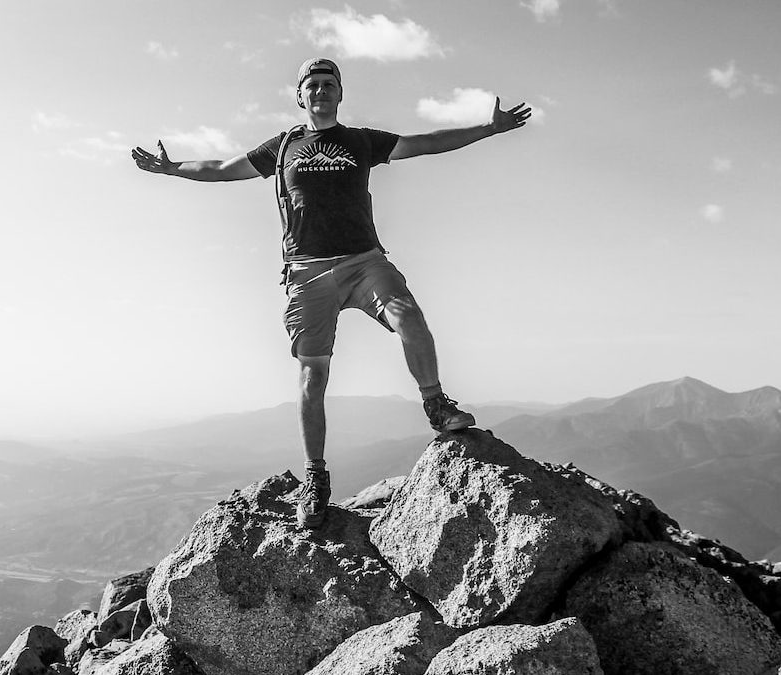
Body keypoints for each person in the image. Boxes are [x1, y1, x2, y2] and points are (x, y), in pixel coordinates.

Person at [132, 58, 530, 529]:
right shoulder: (282, 148)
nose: (320, 91)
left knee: (410, 317)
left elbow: (424, 144)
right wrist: (173, 168)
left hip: (365, 261)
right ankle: (315, 478)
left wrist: (489, 128)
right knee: (312, 378)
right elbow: (221, 168)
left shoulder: (360, 140)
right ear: (300, 96)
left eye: (329, 85)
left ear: (340, 94)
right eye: (312, 85)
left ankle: (437, 405)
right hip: (307, 273)